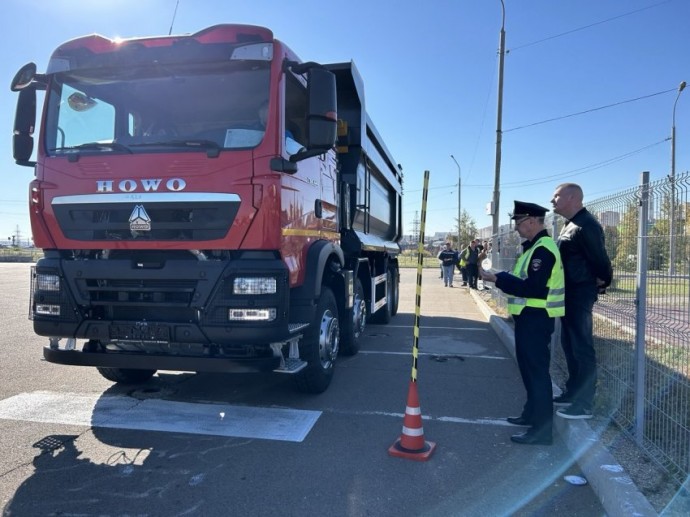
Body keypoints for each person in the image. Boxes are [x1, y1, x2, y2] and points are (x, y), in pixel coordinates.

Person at [480, 201, 565, 445]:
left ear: (531, 221)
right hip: (529, 317)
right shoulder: (533, 248)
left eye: (519, 223)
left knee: (537, 373)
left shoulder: (543, 250)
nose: (516, 227)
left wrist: (498, 279)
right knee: (529, 371)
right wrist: (499, 277)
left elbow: (534, 289)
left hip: (536, 317)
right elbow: (522, 279)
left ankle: (542, 431)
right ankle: (531, 414)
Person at [551, 183, 612, 420]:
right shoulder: (570, 225)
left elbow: (600, 259)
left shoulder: (587, 225)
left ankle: (584, 404)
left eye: (556, 196)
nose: (552, 201)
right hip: (568, 292)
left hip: (579, 292)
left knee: (582, 346)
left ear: (573, 197)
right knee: (569, 344)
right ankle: (573, 392)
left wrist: (602, 281)